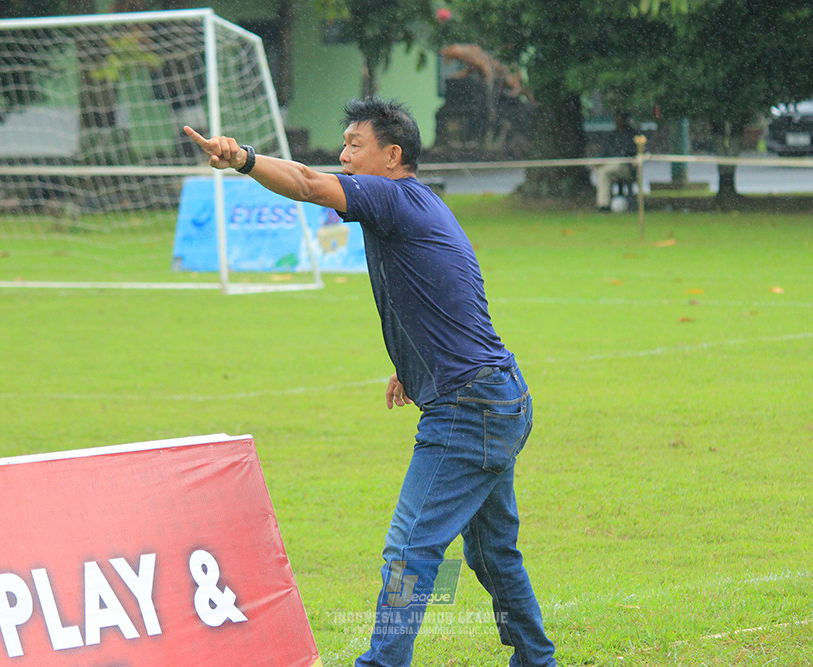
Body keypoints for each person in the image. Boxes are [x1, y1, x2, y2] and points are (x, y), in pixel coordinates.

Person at [184, 98, 556, 667]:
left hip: (469, 408)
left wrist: (244, 159)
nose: (343, 155)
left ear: (393, 154)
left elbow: (309, 184)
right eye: (344, 144)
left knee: (410, 550)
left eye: (355, 144)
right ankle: (536, 658)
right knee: (492, 553)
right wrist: (412, 365)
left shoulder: (390, 195)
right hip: (497, 395)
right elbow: (448, 295)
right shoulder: (418, 204)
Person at [595, 111, 638, 211]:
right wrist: (598, 162)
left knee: (604, 171)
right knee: (602, 172)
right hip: (612, 164)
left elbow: (630, 152)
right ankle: (603, 204)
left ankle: (603, 203)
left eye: (620, 119)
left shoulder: (632, 135)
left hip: (626, 166)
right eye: (616, 119)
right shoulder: (613, 135)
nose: (617, 121)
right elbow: (605, 150)